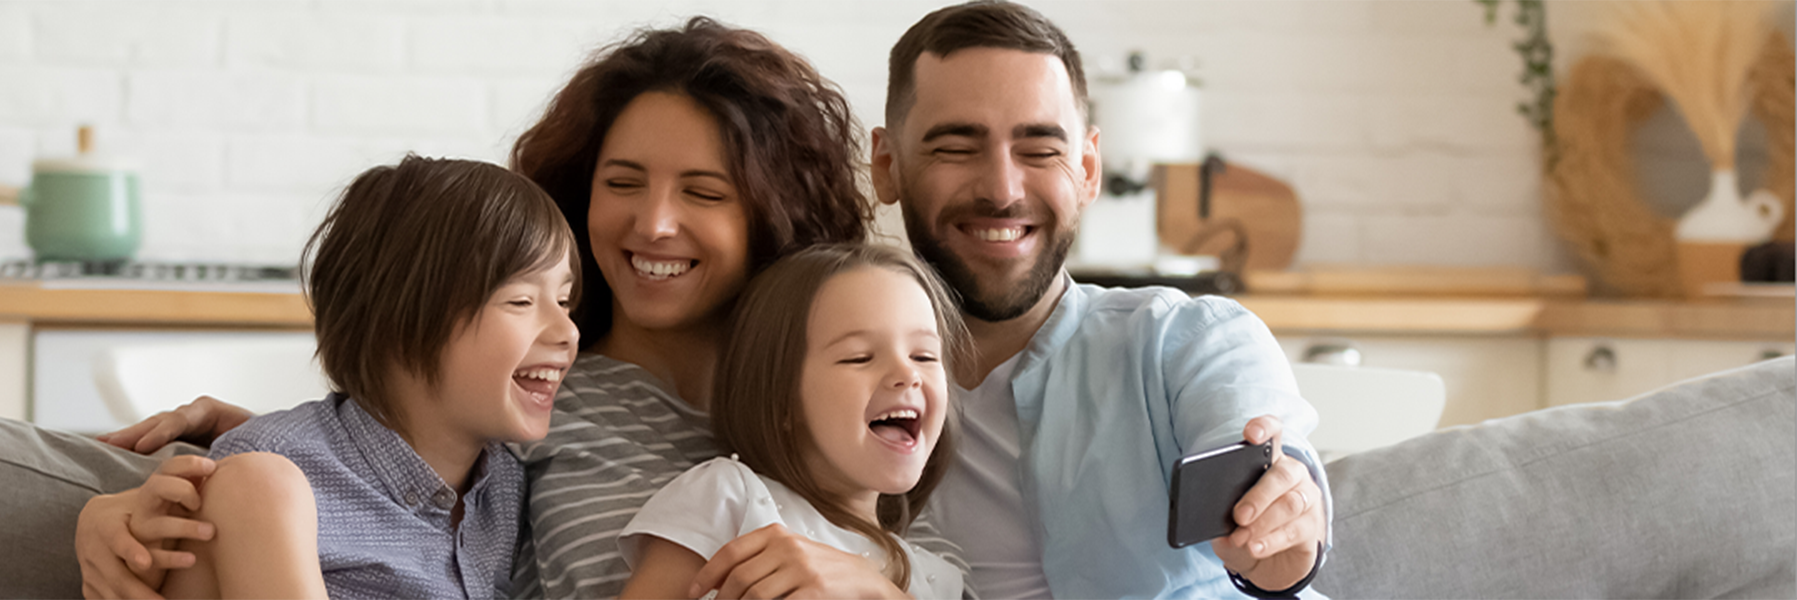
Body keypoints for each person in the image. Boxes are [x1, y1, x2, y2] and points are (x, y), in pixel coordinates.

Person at [76, 17, 955, 600]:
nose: (654, 222)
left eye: (703, 191)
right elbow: (384, 449)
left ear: (775, 212)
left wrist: (877, 584)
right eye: (622, 184)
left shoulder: (838, 401)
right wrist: (123, 502)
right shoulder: (533, 406)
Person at [866, 2, 1330, 598]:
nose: (1003, 190)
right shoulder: (831, 377)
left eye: (1039, 150)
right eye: (956, 147)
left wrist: (1282, 533)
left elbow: (1267, 468)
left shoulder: (1187, 340)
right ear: (886, 166)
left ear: (1087, 168)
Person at [132, 156, 579, 599]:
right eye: (520, 301)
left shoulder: (510, 486)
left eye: (563, 301)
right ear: (400, 322)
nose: (567, 331)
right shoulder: (264, 479)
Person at [618, 244, 970, 600]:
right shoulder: (730, 498)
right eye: (859, 358)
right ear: (781, 397)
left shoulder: (939, 581)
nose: (907, 374)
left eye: (924, 355)